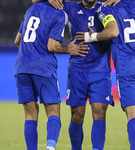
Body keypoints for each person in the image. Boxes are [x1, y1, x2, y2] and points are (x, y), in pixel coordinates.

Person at [76, 0, 135, 149]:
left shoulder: (106, 9)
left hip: (128, 67)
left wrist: (91, 37)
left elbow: (112, 31)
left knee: (133, 114)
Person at [34, 0, 122, 149]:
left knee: (100, 114)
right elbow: (35, 1)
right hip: (77, 71)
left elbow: (113, 30)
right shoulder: (70, 7)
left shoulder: (104, 9)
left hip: (100, 71)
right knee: (76, 116)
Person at [14, 1, 89, 150]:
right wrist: (69, 49)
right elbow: (52, 46)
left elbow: (17, 41)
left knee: (30, 114)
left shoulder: (31, 9)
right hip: (43, 67)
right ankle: (50, 147)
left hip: (21, 66)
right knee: (53, 111)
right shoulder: (59, 13)